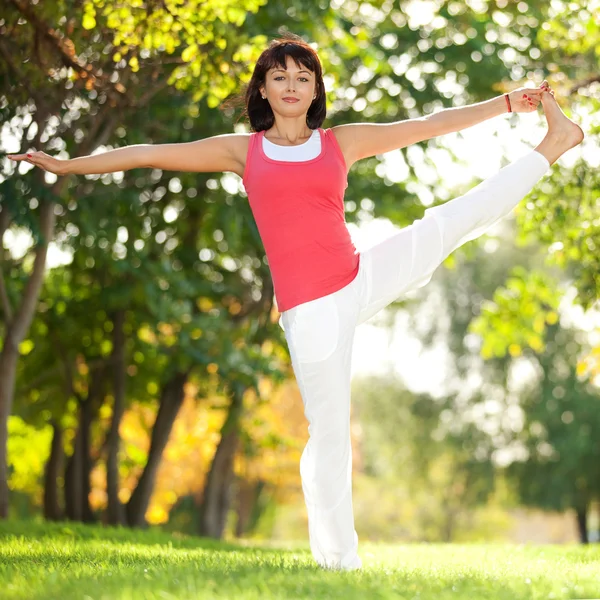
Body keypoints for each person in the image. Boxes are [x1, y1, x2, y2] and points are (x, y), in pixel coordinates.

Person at [7, 34, 584, 571]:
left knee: (446, 223)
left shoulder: (341, 143)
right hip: (310, 312)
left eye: (302, 76)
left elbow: (429, 125)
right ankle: (339, 561)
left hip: (358, 275)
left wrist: (507, 103)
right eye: (279, 76)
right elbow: (150, 152)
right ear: (262, 89)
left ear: (315, 89)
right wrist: (70, 165)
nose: (290, 85)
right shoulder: (243, 152)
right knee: (329, 437)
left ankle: (553, 144)